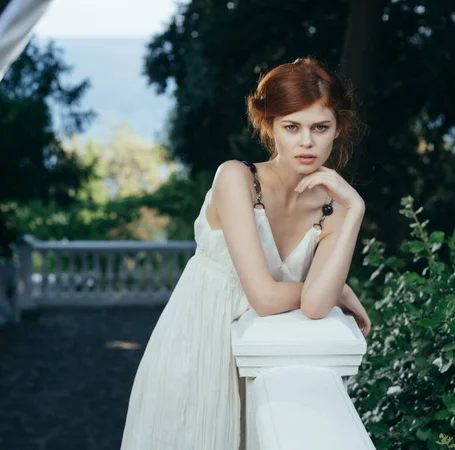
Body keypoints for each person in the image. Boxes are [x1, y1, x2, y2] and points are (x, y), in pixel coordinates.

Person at [120, 57, 371, 450]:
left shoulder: (334, 208)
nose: (306, 142)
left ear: (337, 129)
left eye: (320, 127)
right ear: (269, 126)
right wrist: (336, 289)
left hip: (265, 359)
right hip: (197, 346)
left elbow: (315, 305)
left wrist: (355, 210)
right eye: (292, 127)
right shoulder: (235, 178)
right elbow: (266, 297)